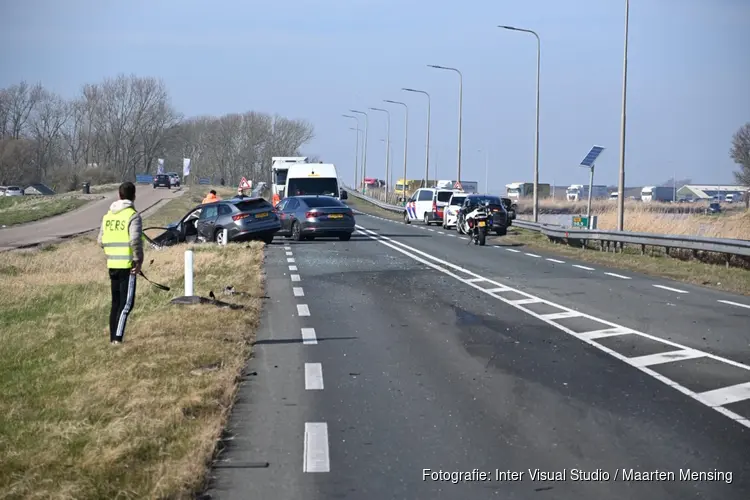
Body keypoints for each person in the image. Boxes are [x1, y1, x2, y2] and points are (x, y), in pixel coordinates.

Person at [97, 182, 144, 345]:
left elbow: (100, 241)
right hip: (127, 266)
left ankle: (112, 339)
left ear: (119, 195)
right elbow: (135, 240)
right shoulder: (133, 215)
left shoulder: (108, 216)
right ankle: (117, 339)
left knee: (116, 303)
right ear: (134, 196)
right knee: (126, 304)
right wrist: (138, 260)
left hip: (112, 265)